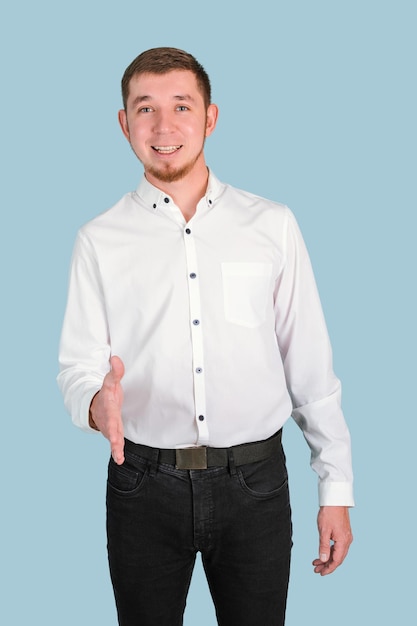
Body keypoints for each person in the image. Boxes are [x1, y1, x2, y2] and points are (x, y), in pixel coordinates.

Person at [57, 47, 354, 626]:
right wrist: (97, 404)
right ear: (124, 124)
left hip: (257, 484)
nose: (163, 127)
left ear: (210, 118)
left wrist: (336, 490)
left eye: (181, 107)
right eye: (145, 109)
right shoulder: (99, 238)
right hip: (142, 483)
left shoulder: (272, 225)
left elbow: (311, 368)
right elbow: (77, 364)